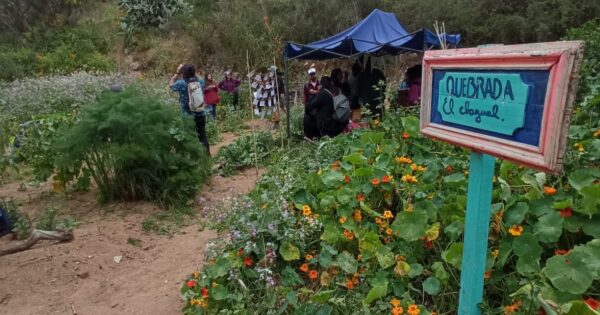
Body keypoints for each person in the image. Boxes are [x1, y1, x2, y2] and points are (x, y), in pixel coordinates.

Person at [168, 64, 210, 155]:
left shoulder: (181, 83)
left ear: (183, 73)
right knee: (202, 137)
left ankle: (196, 158)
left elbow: (171, 84)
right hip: (200, 114)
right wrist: (192, 71)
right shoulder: (200, 82)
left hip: (188, 117)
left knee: (190, 138)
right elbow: (199, 77)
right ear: (194, 72)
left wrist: (177, 72)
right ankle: (207, 156)